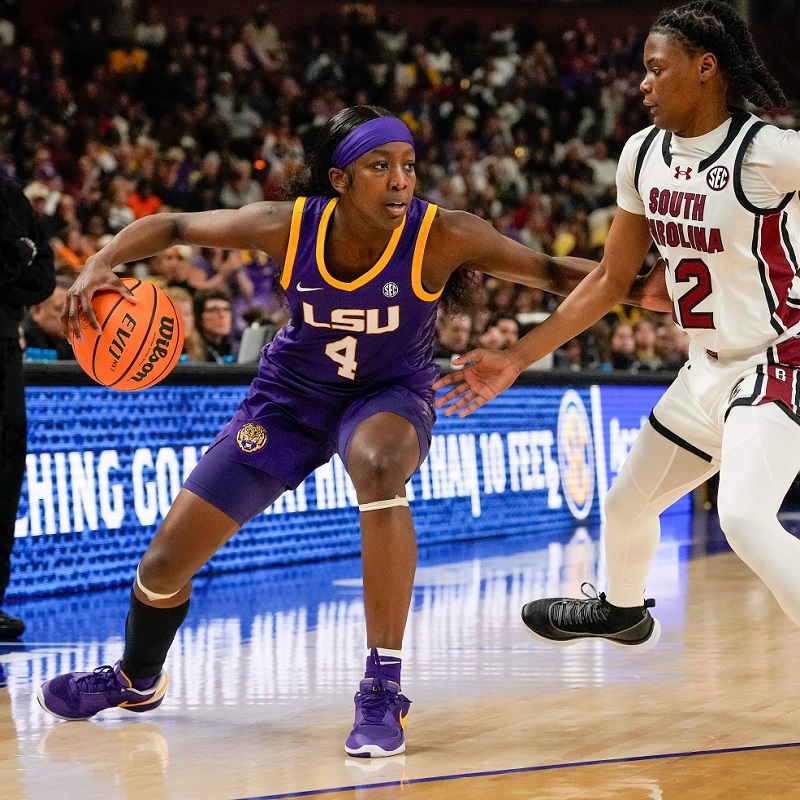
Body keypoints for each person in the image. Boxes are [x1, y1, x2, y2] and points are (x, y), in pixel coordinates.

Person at [39, 106, 667, 756]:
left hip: (388, 394)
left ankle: (381, 688)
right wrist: (101, 260)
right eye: (379, 167)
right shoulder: (286, 227)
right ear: (338, 180)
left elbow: (545, 270)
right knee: (164, 565)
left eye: (408, 166)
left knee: (377, 463)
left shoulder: (443, 233)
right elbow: (172, 224)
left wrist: (632, 287)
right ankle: (137, 678)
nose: (400, 181)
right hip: (289, 400)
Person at [434, 1, 800, 654]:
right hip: (705, 369)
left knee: (743, 515)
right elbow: (610, 281)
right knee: (626, 504)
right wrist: (516, 358)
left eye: (657, 70)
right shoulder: (643, 154)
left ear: (705, 68)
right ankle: (623, 612)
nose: (643, 83)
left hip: (779, 361)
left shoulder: (768, 153)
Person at [0, 176, 55, 639]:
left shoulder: (8, 189)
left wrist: (19, 258)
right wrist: (17, 255)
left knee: (5, 479)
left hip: (4, 350)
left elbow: (43, 278)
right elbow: (25, 263)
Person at [21, 274, 75, 360]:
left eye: (76, 311)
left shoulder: (74, 345)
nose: (71, 317)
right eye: (61, 309)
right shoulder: (18, 343)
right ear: (36, 310)